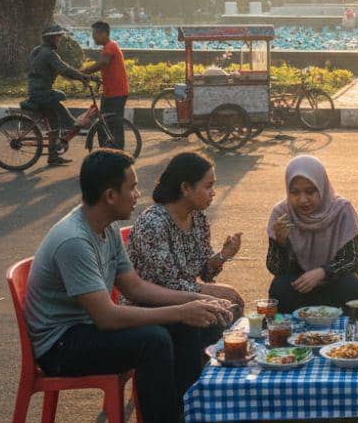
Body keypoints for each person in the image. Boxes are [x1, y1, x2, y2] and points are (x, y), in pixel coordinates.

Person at [24, 150, 234, 423]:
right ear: (110, 196)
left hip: (87, 328)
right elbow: (107, 317)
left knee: (188, 325)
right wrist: (181, 310)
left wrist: (194, 302)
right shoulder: (74, 240)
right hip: (61, 346)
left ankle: (186, 411)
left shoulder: (106, 226)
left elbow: (135, 288)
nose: (138, 194)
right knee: (154, 341)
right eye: (132, 187)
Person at [127, 152, 245, 313]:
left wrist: (224, 255)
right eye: (208, 186)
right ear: (186, 188)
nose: (213, 192)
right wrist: (209, 292)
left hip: (186, 300)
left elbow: (204, 271)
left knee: (232, 306)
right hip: (149, 307)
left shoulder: (198, 217)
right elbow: (169, 283)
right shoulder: (153, 224)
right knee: (222, 313)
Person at [266, 155, 358, 312]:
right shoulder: (283, 213)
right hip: (299, 286)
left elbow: (351, 259)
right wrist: (281, 243)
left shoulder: (341, 210)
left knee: (350, 284)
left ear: (321, 187)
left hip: (333, 282)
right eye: (295, 192)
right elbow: (275, 268)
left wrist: (323, 272)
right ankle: (283, 334)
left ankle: (350, 332)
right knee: (280, 286)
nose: (303, 200)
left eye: (310, 191)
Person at [28, 24, 93, 166]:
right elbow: (65, 69)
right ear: (51, 39)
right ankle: (71, 124)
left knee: (54, 121)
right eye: (58, 37)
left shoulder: (38, 50)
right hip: (41, 92)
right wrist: (83, 77)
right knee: (60, 105)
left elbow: (62, 69)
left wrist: (80, 76)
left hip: (36, 90)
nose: (59, 40)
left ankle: (53, 156)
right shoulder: (49, 54)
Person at [81, 21, 130, 150]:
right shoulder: (109, 46)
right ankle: (106, 150)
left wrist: (84, 71)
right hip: (110, 92)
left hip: (116, 93)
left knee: (113, 124)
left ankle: (118, 152)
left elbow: (103, 63)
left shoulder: (110, 47)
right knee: (104, 123)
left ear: (103, 33)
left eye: (94, 33)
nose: (93, 37)